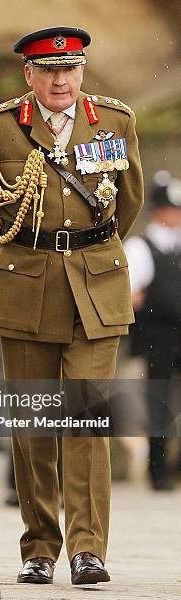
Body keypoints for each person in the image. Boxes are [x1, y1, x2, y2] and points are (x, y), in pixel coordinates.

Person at [0, 27, 143, 584]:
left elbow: (126, 204)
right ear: (29, 75)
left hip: (96, 288)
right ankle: (39, 547)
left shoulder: (114, 121)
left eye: (69, 68)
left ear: (81, 71)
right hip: (26, 288)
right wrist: (30, 257)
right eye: (47, 69)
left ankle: (88, 550)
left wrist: (87, 255)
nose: (59, 78)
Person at [125, 170, 181, 491]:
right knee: (158, 404)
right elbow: (131, 294)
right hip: (156, 338)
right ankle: (158, 470)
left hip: (177, 333)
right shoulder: (142, 247)